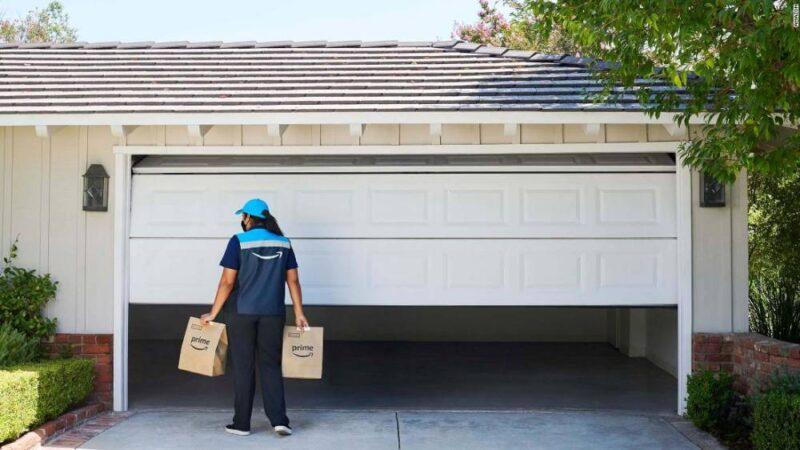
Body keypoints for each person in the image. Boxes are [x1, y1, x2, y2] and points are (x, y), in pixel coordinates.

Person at [201, 198, 309, 437]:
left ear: (248, 217)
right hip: (273, 313)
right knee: (271, 365)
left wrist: (213, 312)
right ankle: (280, 421)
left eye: (243, 216)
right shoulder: (284, 243)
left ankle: (241, 424)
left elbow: (227, 281)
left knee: (244, 367)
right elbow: (293, 280)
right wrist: (300, 313)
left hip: (241, 313)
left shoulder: (238, 241)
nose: (242, 220)